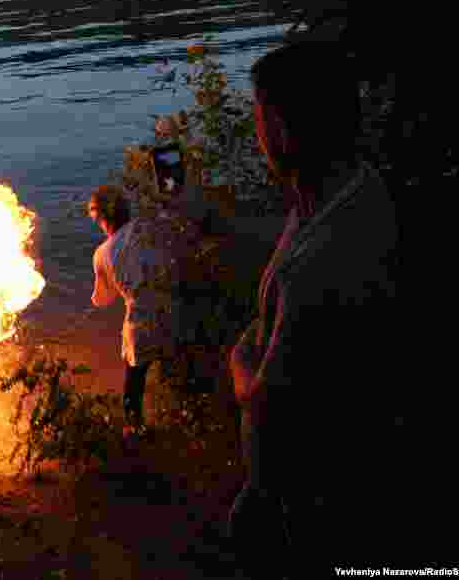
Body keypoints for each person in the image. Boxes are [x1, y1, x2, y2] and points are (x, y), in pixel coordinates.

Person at [171, 41, 400, 575]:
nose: (259, 135)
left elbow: (265, 401)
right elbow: (293, 243)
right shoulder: (350, 191)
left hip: (312, 501)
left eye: (259, 118)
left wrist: (238, 359)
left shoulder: (321, 261)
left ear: (280, 127)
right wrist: (218, 226)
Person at [88, 185, 187, 447]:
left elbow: (104, 299)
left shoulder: (102, 253)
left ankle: (135, 433)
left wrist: (95, 299)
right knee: (178, 369)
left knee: (134, 384)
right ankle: (187, 419)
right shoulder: (149, 226)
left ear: (101, 218)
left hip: (140, 325)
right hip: (172, 312)